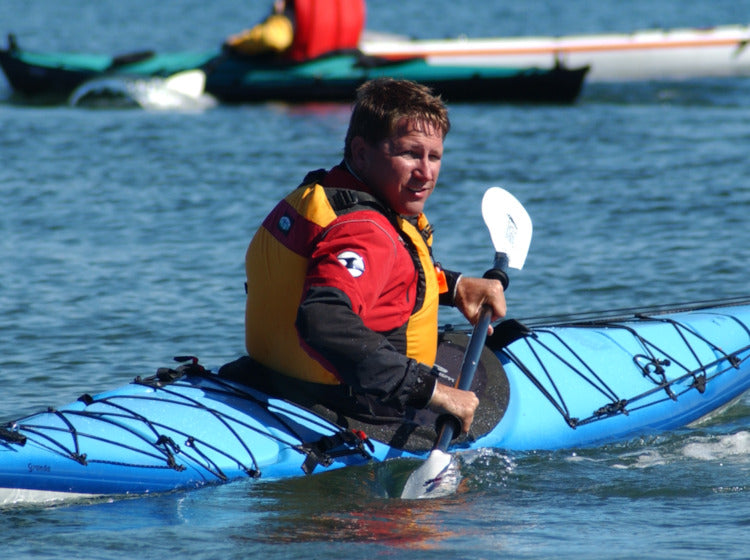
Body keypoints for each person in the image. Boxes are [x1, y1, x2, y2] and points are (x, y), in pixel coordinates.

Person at [240, 78, 506, 438]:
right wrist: (430, 391)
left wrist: (455, 286)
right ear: (362, 153)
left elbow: (372, 276)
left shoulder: (324, 195)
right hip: (360, 407)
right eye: (410, 154)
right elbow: (323, 319)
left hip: (268, 381)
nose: (426, 173)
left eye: (434, 157)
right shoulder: (367, 232)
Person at [223, 0, 365, 62]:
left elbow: (275, 39)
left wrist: (237, 43)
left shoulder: (291, 10)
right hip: (341, 57)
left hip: (300, 64)